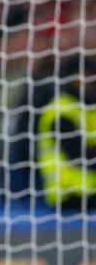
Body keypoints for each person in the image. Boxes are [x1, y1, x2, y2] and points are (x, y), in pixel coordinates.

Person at [37, 58, 96, 210]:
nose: (84, 81)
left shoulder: (88, 108)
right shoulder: (60, 112)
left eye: (88, 75)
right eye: (79, 76)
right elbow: (79, 154)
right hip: (67, 193)